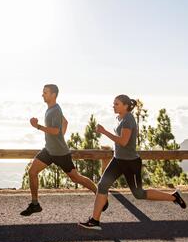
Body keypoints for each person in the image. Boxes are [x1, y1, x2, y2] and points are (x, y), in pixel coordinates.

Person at [79, 94, 186, 230]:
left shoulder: (128, 119)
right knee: (102, 185)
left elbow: (123, 142)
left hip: (130, 163)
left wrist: (104, 132)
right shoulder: (120, 118)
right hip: (118, 160)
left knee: (139, 194)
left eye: (116, 104)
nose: (114, 106)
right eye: (114, 103)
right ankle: (95, 221)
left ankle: (174, 197)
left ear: (125, 106)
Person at [21, 84, 107, 216]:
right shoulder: (51, 109)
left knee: (76, 178)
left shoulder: (55, 110)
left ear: (53, 95)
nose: (42, 94)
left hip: (60, 153)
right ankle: (35, 204)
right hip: (49, 150)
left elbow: (56, 130)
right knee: (32, 172)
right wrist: (60, 138)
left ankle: (100, 194)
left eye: (45, 92)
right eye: (43, 92)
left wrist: (37, 126)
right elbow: (65, 123)